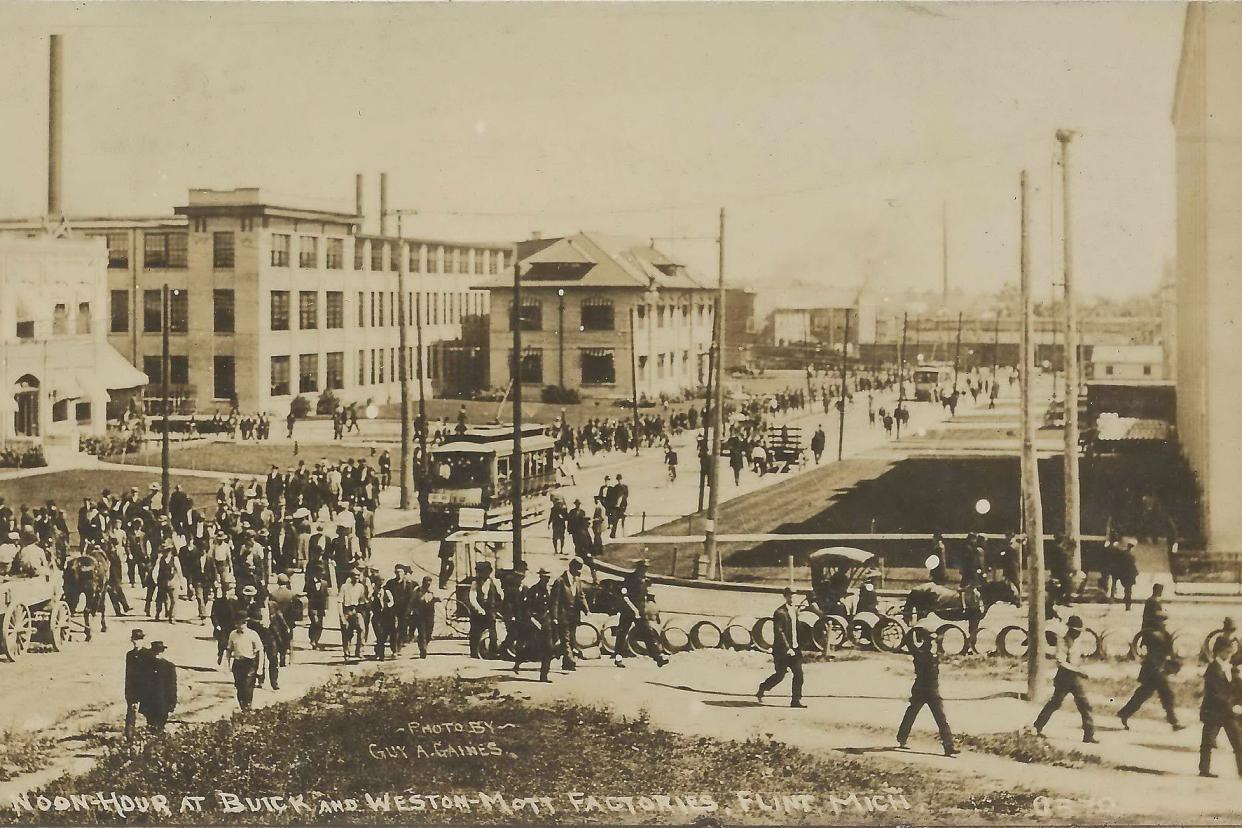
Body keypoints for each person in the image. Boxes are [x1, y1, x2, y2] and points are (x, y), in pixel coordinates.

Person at [1034, 615, 1097, 743]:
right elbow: (1061, 662)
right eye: (1076, 631)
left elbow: (1076, 657)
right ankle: (1036, 727)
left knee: (1085, 705)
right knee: (1055, 703)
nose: (1078, 633)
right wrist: (1079, 670)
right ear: (1070, 629)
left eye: (1080, 631)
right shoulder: (1062, 641)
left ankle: (1089, 735)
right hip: (1064, 677)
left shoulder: (1077, 641)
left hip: (1074, 679)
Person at [896, 627, 958, 757]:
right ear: (923, 641)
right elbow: (909, 641)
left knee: (941, 719)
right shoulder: (918, 653)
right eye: (929, 641)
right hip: (920, 689)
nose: (931, 643)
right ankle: (901, 739)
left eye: (933, 641)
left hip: (933, 690)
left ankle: (949, 746)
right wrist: (913, 630)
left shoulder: (935, 654)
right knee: (911, 715)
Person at [1118, 626, 1184, 732]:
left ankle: (1125, 713)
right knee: (1166, 694)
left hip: (1156, 669)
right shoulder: (1153, 634)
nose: (1163, 622)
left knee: (1143, 694)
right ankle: (1174, 722)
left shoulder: (1161, 633)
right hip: (1154, 669)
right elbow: (1156, 652)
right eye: (1161, 620)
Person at [1199, 637, 1242, 778]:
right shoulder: (1212, 669)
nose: (1230, 654)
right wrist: (1232, 707)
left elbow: (1236, 690)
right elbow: (1215, 694)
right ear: (1219, 651)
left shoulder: (1230, 668)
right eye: (1227, 651)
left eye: (1231, 652)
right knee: (1207, 742)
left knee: (1238, 742)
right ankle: (1204, 770)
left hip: (1228, 713)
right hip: (1214, 712)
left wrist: (1238, 703)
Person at [756, 587, 805, 708]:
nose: (793, 598)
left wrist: (800, 645)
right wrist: (788, 648)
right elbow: (779, 632)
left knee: (799, 675)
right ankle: (763, 687)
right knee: (780, 675)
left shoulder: (795, 611)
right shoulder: (779, 612)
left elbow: (797, 629)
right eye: (790, 596)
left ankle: (795, 701)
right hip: (782, 650)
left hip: (795, 648)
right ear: (786, 597)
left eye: (794, 595)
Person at [614, 559, 668, 668]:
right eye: (643, 568)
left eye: (646, 569)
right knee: (622, 633)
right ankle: (618, 657)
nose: (644, 571)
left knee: (648, 633)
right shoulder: (629, 579)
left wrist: (654, 610)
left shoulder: (645, 581)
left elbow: (647, 597)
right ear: (638, 568)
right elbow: (624, 596)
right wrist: (633, 609)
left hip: (640, 612)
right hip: (628, 610)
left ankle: (658, 658)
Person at [513, 568, 554, 682]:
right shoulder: (533, 590)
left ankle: (544, 675)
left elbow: (552, 606)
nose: (547, 580)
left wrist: (553, 619)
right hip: (534, 623)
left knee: (549, 648)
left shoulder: (550, 590)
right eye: (545, 577)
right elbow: (526, 608)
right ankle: (518, 661)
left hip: (546, 622)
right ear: (540, 577)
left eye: (548, 578)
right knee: (531, 647)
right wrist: (532, 620)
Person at [552, 559, 589, 671]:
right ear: (571, 568)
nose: (579, 572)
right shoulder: (560, 581)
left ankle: (566, 663)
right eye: (577, 569)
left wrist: (586, 609)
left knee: (571, 640)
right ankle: (571, 661)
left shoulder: (577, 581)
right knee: (565, 640)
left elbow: (581, 596)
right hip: (563, 616)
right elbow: (555, 601)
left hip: (574, 616)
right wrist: (554, 617)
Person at [226, 616, 264, 711]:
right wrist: (227, 664)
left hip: (249, 663)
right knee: (239, 687)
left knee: (248, 686)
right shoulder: (233, 634)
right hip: (238, 663)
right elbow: (229, 650)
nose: (241, 625)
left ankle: (248, 707)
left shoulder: (253, 634)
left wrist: (260, 668)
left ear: (246, 623)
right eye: (238, 623)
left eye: (243, 623)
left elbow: (260, 650)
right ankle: (243, 708)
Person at [139, 641, 177, 734]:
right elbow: (142, 684)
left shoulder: (169, 666)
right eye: (155, 652)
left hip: (163, 702)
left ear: (162, 652)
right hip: (150, 702)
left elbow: (172, 686)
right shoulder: (146, 665)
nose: (157, 654)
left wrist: (172, 702)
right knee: (150, 725)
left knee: (160, 725)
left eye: (159, 652)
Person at [124, 629, 151, 741]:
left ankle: (150, 736)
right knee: (131, 713)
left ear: (143, 640)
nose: (136, 642)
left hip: (145, 688)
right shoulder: (129, 655)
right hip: (133, 689)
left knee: (149, 713)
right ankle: (129, 737)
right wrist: (128, 692)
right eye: (134, 639)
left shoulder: (148, 655)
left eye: (138, 640)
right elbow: (128, 674)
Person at [338, 569, 367, 660]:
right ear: (350, 577)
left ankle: (359, 651)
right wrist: (342, 616)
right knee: (347, 633)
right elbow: (339, 602)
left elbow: (362, 601)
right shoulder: (344, 587)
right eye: (355, 577)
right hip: (347, 611)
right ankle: (347, 653)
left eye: (358, 576)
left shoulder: (360, 587)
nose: (357, 578)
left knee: (362, 629)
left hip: (357, 611)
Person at [413, 576, 439, 658]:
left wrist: (435, 597)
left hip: (430, 614)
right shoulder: (417, 590)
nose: (427, 584)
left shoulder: (433, 591)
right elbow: (412, 600)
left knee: (429, 632)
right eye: (426, 582)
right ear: (423, 582)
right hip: (420, 614)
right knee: (422, 632)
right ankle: (422, 648)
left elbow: (439, 599)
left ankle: (425, 644)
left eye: (429, 583)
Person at [1116, 539, 1139, 611]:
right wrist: (1136, 572)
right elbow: (1132, 566)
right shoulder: (1130, 556)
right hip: (1129, 575)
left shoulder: (1123, 554)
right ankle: (1128, 605)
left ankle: (1127, 604)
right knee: (1128, 591)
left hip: (1124, 574)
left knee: (1127, 590)